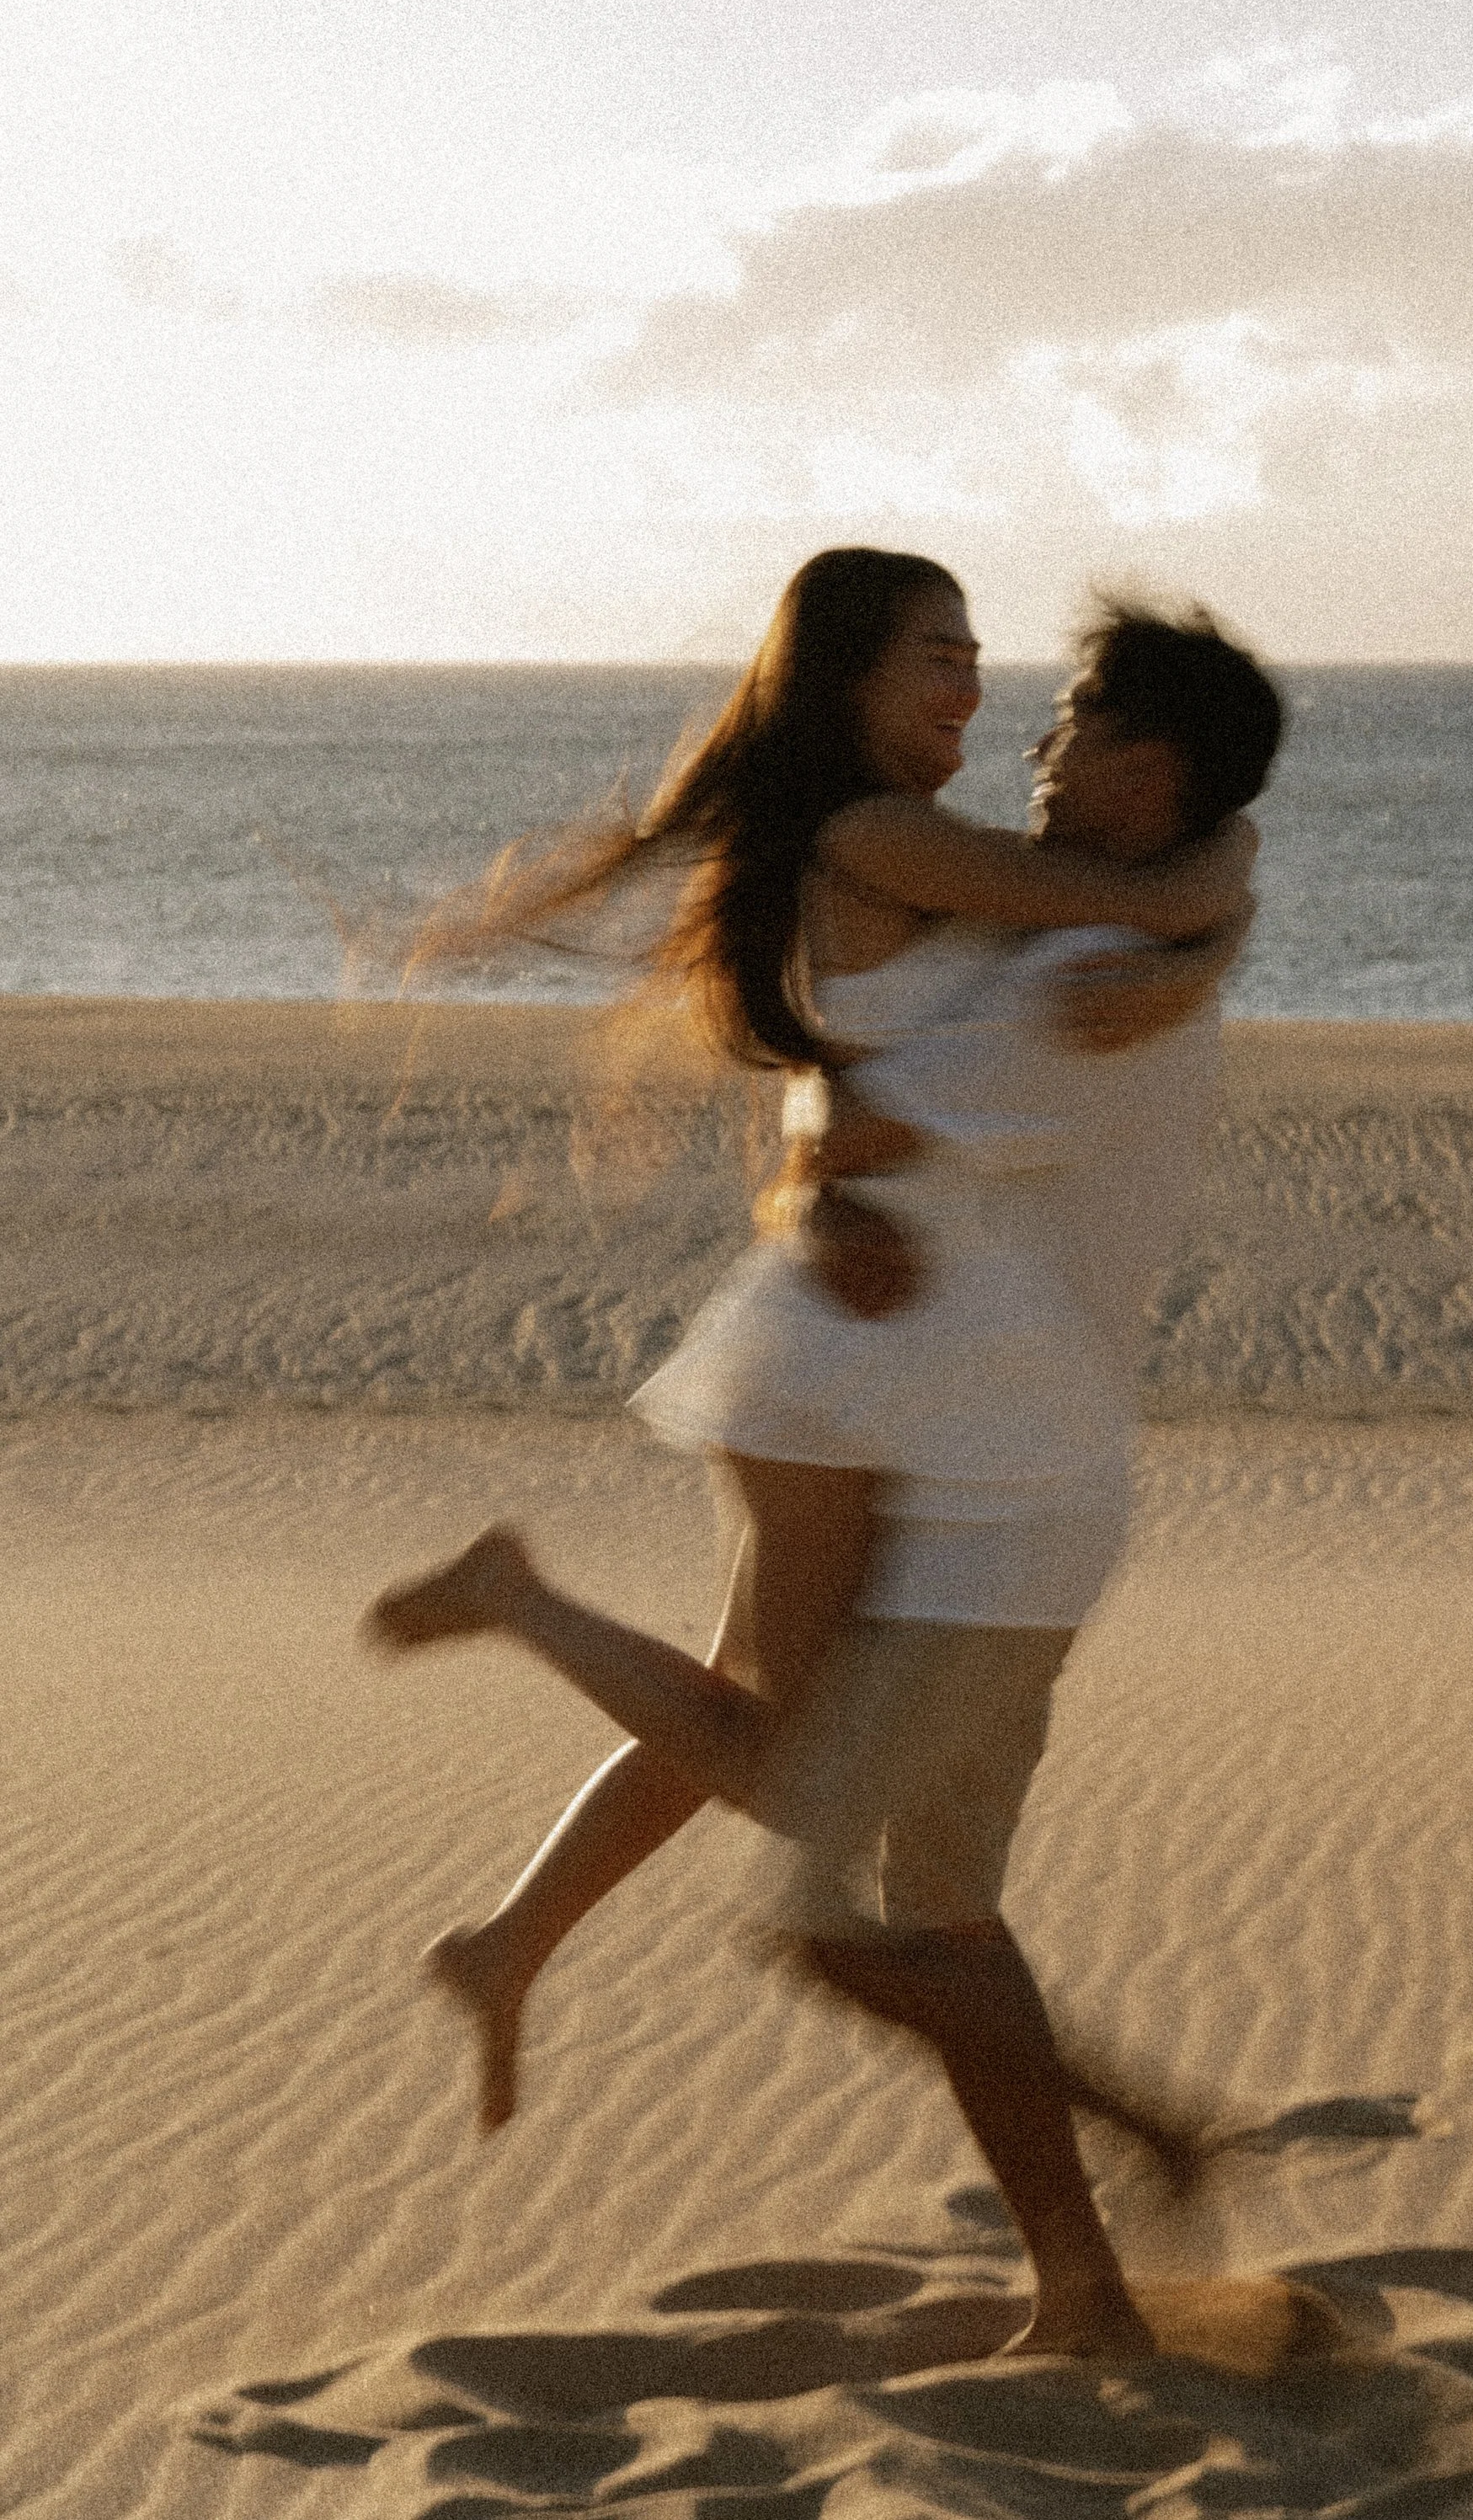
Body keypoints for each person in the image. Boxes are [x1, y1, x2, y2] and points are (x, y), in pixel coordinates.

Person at [366, 563, 1261, 2344]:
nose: (990, 702)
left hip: (939, 1405)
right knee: (790, 1779)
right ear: (850, 675)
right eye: (945, 658)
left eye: (1012, 680)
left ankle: (1077, 2280)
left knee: (848, 1817)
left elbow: (879, 1056)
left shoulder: (927, 864)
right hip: (870, 1386)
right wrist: (1216, 909)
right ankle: (523, 1609)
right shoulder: (902, 840)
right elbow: (1093, 922)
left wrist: (828, 1155)